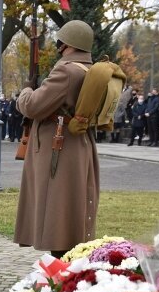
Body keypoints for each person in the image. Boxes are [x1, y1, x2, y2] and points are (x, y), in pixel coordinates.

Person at [13, 20, 99, 258]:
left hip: (59, 147)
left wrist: (26, 91)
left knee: (58, 205)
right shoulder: (89, 69)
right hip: (79, 144)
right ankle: (68, 257)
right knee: (71, 203)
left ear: (67, 44)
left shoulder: (66, 70)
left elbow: (32, 106)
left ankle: (60, 263)